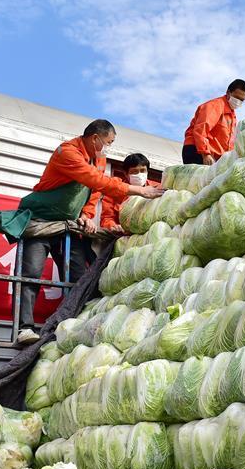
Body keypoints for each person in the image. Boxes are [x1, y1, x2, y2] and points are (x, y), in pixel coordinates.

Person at [14, 120, 163, 344]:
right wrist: (140, 190)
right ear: (95, 138)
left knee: (79, 278)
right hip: (40, 222)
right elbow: (95, 180)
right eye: (108, 142)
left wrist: (86, 213)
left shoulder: (99, 157)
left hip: (68, 225)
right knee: (31, 273)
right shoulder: (67, 152)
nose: (108, 148)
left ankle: (70, 327)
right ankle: (23, 329)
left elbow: (94, 191)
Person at [181, 79, 245, 165]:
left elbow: (228, 143)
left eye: (241, 100)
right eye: (236, 97)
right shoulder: (215, 106)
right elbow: (201, 130)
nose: (238, 101)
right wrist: (205, 154)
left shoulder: (232, 116)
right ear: (228, 93)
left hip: (214, 157)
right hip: (198, 151)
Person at [100, 153, 160, 232]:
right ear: (126, 174)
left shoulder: (158, 189)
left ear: (147, 171)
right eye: (134, 172)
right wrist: (113, 226)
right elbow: (106, 218)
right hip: (123, 236)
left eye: (142, 171)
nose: (139, 174)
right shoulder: (114, 190)